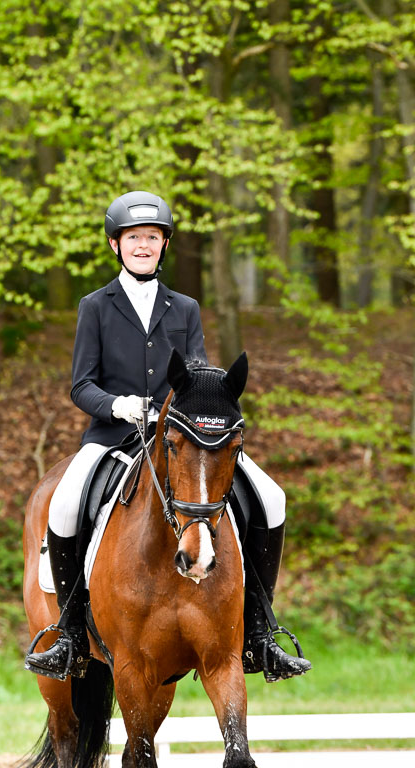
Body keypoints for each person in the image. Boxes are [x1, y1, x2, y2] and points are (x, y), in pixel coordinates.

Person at [25, 190, 311, 683]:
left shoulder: (185, 308)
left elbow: (196, 373)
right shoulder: (95, 306)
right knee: (66, 502)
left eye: (152, 238)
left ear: (163, 245)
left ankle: (261, 631)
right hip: (112, 436)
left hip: (182, 440)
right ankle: (70, 633)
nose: (143, 245)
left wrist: (204, 405)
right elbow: (80, 384)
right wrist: (119, 405)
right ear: (116, 245)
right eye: (134, 238)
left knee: (273, 496)